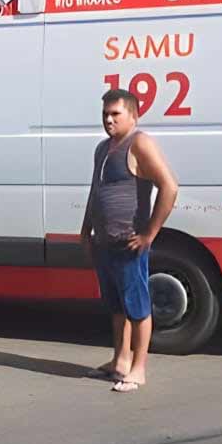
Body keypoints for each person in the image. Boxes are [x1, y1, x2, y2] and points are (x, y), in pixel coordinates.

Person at [80, 89, 178, 393]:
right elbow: (95, 191)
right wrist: (86, 230)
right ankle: (119, 361)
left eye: (115, 114)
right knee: (116, 306)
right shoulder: (102, 149)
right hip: (104, 243)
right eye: (105, 114)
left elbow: (169, 187)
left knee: (137, 306)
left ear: (133, 116)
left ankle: (138, 369)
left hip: (128, 243)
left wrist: (149, 233)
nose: (108, 120)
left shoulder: (140, 143)